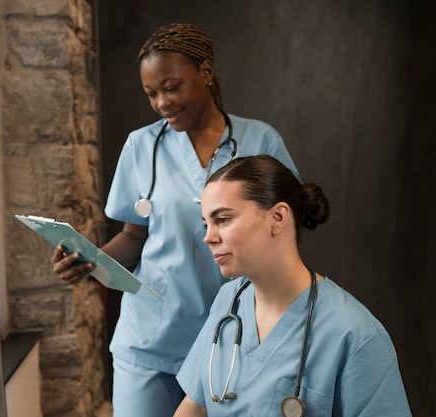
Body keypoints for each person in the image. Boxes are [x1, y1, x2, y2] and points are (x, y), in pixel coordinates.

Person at [51, 23, 300, 417]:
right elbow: (134, 237)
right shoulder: (140, 145)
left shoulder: (259, 141)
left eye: (171, 87)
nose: (161, 103)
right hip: (150, 339)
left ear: (205, 72)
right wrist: (91, 260)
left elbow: (287, 229)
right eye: (151, 93)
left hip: (232, 336)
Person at [174, 155, 412, 417]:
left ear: (277, 217)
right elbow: (195, 405)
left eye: (223, 220)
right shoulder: (228, 301)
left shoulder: (355, 335)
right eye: (206, 223)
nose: (208, 237)